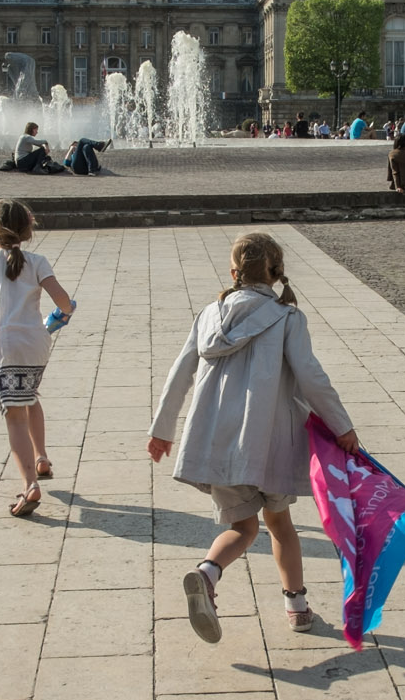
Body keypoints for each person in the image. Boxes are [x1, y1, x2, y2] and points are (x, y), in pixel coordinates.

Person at [149, 232, 357, 642]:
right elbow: (311, 377)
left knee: (241, 528)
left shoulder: (209, 315)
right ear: (277, 273)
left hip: (217, 446)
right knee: (280, 525)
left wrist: (162, 429)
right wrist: (342, 426)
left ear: (233, 273)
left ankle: (207, 573)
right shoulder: (288, 318)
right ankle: (296, 606)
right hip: (269, 446)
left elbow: (180, 373)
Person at [0, 199, 76, 518]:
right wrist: (63, 313)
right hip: (36, 344)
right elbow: (64, 301)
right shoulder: (37, 262)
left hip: (4, 348)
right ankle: (42, 457)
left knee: (14, 415)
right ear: (28, 228)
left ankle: (30, 484)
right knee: (30, 397)